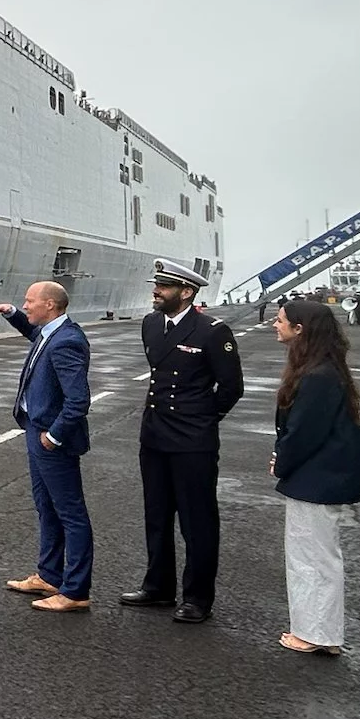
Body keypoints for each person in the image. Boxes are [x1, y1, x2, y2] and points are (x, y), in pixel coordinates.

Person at [120, 259, 244, 623]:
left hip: (193, 441)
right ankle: (158, 587)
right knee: (156, 515)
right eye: (156, 285)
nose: (155, 291)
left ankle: (197, 598)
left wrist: (204, 418)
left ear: (186, 292)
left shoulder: (211, 331)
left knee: (197, 521)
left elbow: (232, 388)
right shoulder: (150, 324)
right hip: (155, 435)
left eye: (164, 287)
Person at [270, 299, 360, 655]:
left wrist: (281, 463)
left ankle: (315, 634)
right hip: (324, 476)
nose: (275, 323)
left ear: (300, 329)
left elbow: (303, 432)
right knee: (320, 557)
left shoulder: (315, 376)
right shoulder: (327, 368)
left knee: (310, 558)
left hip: (315, 479)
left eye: (282, 320)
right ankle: (324, 634)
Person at [0, 282, 93, 612]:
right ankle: (49, 575)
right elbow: (34, 337)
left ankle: (75, 591)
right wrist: (11, 314)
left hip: (51, 439)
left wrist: (54, 436)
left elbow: (78, 400)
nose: (26, 305)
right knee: (47, 506)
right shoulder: (50, 333)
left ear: (51, 305)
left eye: (30, 302)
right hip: (36, 430)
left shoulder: (66, 342)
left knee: (71, 514)